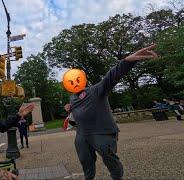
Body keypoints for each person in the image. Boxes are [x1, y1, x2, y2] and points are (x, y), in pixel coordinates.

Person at [64, 44, 158, 180]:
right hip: (82, 134)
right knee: (85, 160)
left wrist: (128, 61)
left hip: (101, 133)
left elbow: (111, 77)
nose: (73, 82)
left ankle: (117, 177)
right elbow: (77, 111)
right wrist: (69, 108)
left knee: (110, 159)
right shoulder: (72, 98)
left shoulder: (96, 90)